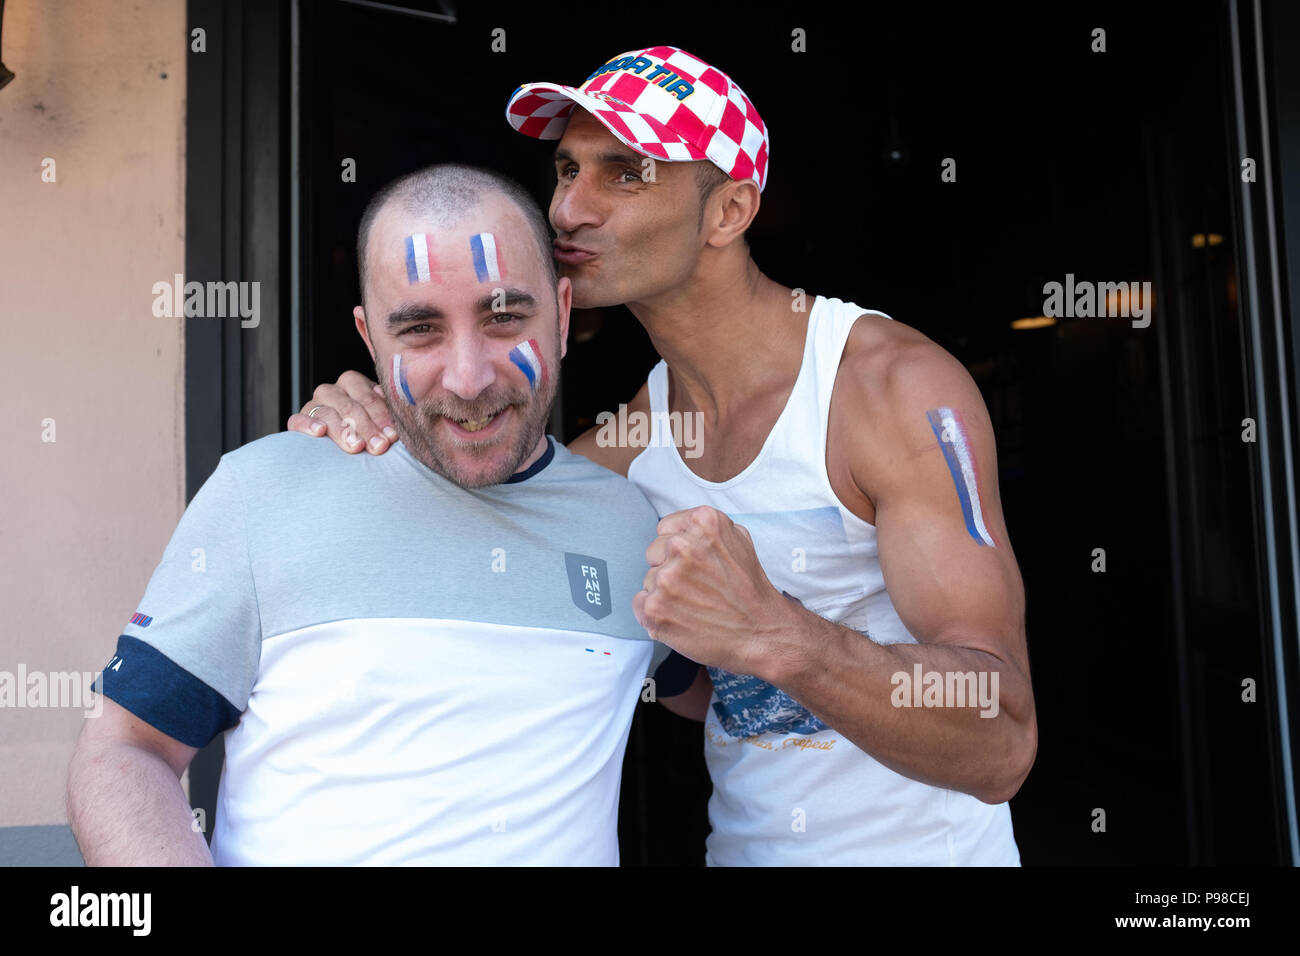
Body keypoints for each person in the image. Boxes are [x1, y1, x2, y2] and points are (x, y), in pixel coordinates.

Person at [290, 46, 1037, 865]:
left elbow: (1002, 740)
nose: (567, 209)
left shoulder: (888, 389)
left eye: (624, 174)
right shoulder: (636, 442)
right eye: (567, 170)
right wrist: (374, 420)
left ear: (729, 211)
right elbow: (484, 539)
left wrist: (777, 633)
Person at [67, 163, 678, 866]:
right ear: (368, 338)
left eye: (505, 317)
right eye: (419, 329)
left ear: (563, 316)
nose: (468, 378)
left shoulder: (633, 526)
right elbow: (125, 749)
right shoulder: (263, 492)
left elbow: (725, 700)